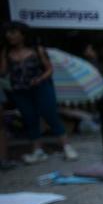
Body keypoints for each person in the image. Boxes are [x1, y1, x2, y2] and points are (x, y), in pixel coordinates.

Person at [0, 22, 78, 163]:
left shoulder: (37, 50)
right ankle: (37, 151)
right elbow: (3, 72)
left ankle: (67, 147)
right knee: (29, 118)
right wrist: (3, 56)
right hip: (19, 90)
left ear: (22, 34)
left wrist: (40, 79)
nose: (9, 35)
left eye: (13, 32)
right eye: (7, 33)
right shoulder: (7, 52)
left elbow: (49, 69)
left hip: (41, 87)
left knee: (50, 114)